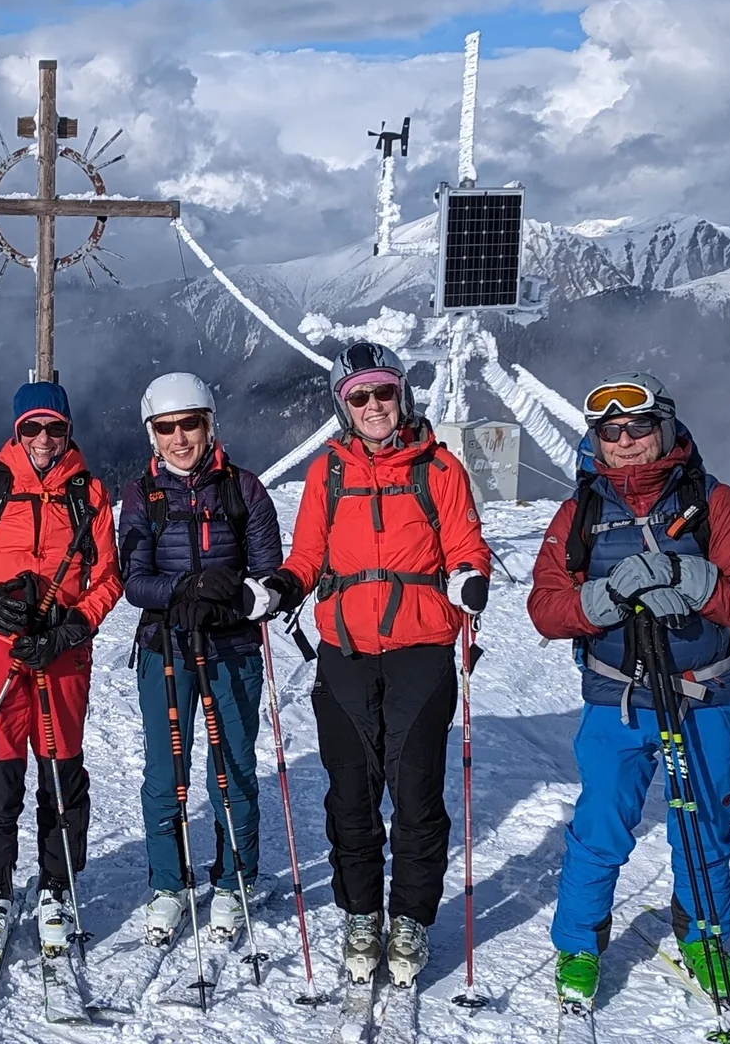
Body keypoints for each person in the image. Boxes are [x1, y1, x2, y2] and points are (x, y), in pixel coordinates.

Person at [527, 372, 730, 1008]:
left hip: (702, 694)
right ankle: (579, 943)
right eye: (611, 432)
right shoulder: (579, 511)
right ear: (597, 441)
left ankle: (704, 935)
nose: (626, 441)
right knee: (602, 821)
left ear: (663, 427)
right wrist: (606, 596)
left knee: (704, 821)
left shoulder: (716, 503)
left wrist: (699, 582)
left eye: (638, 428)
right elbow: (547, 610)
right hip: (617, 696)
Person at [258, 342, 490, 988]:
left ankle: (410, 918)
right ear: (343, 407)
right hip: (348, 655)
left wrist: (470, 578)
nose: (374, 406)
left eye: (383, 392)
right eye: (359, 396)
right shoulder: (327, 473)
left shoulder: (440, 470)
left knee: (416, 795)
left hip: (421, 652)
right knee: (350, 798)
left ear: (402, 395)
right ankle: (362, 913)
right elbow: (307, 557)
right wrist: (277, 588)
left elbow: (466, 544)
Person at [0, 380, 121, 959]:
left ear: (69, 430)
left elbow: (108, 579)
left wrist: (74, 626)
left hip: (61, 659)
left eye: (55, 428)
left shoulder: (88, 496)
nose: (44, 439)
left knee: (61, 775)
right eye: (32, 429)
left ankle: (57, 886)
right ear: (17, 432)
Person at [116, 372, 284, 945]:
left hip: (230, 647)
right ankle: (169, 884)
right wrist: (184, 592)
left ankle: (234, 880)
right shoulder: (142, 495)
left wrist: (234, 595)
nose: (180, 438)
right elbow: (133, 580)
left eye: (191, 424)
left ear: (210, 424)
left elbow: (270, 576)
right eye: (167, 428)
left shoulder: (245, 490)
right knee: (166, 771)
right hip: (166, 647)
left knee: (231, 766)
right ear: (152, 434)